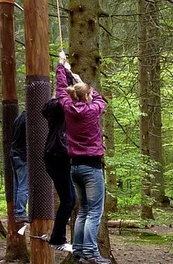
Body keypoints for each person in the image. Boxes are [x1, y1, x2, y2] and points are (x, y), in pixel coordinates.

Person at [56, 51, 109, 264]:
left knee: (84, 210)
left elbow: (61, 90)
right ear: (87, 96)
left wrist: (61, 65)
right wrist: (80, 81)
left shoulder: (68, 108)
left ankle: (78, 249)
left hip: (74, 167)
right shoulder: (94, 109)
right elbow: (99, 98)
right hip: (92, 167)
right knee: (94, 211)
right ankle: (90, 251)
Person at [43, 73, 75, 252]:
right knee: (68, 200)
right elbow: (63, 94)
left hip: (56, 156)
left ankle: (58, 237)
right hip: (58, 156)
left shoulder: (54, 107)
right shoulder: (60, 107)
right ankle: (57, 238)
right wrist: (62, 69)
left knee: (70, 199)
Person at [10, 111, 29, 223]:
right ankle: (20, 212)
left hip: (15, 154)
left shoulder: (19, 118)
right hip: (22, 156)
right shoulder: (29, 121)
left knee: (17, 184)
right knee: (23, 185)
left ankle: (18, 211)